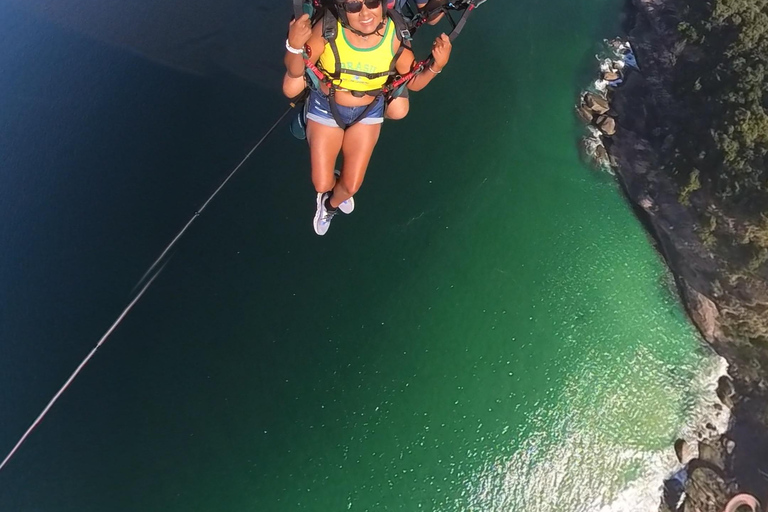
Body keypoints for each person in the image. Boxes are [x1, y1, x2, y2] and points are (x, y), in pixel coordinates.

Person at [283, 0, 452, 235]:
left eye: (372, 2)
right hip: (326, 108)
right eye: (353, 6)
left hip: (367, 112)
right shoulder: (329, 28)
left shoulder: (394, 35)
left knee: (350, 187)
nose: (364, 13)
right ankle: (326, 175)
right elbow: (295, 70)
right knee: (322, 184)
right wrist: (294, 46)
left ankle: (329, 206)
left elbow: (412, 81)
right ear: (343, 9)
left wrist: (437, 66)